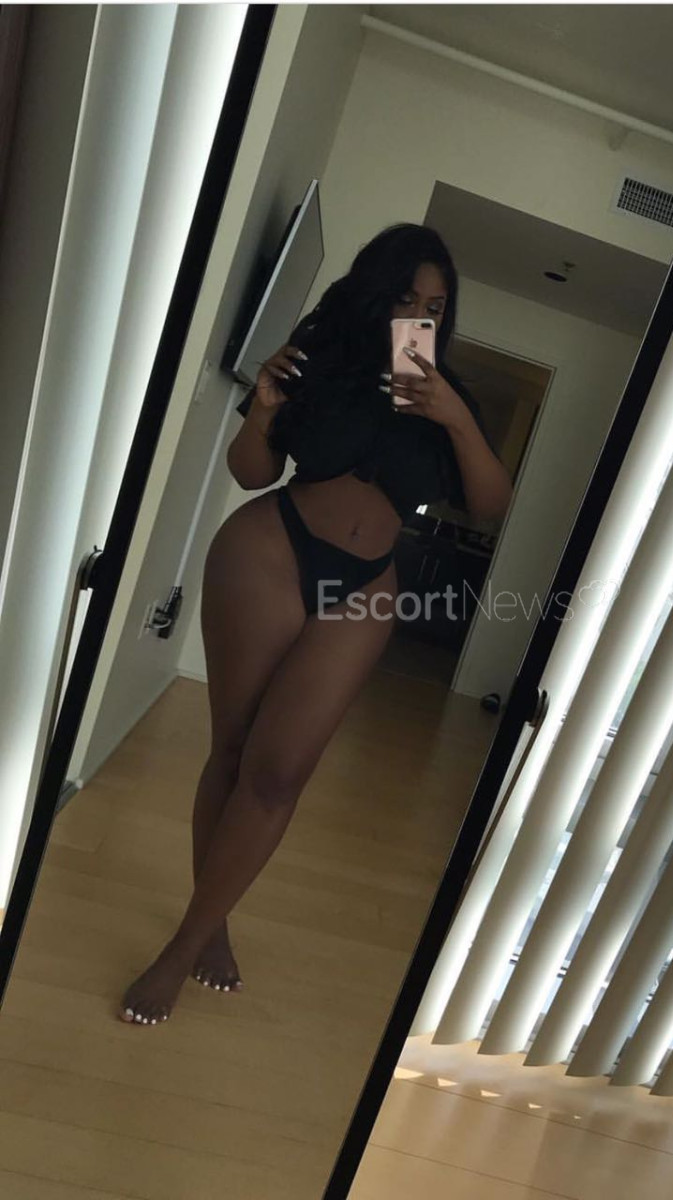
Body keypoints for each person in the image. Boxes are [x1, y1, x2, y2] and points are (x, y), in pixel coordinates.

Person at [118, 224, 513, 1024]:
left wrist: (455, 419)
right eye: (406, 298)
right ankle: (208, 928)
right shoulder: (316, 360)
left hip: (365, 587)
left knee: (279, 774)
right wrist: (261, 411)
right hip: (268, 554)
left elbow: (490, 504)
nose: (420, 316)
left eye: (435, 306)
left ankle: (184, 943)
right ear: (375, 293)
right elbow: (251, 472)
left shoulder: (448, 397)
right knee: (234, 750)